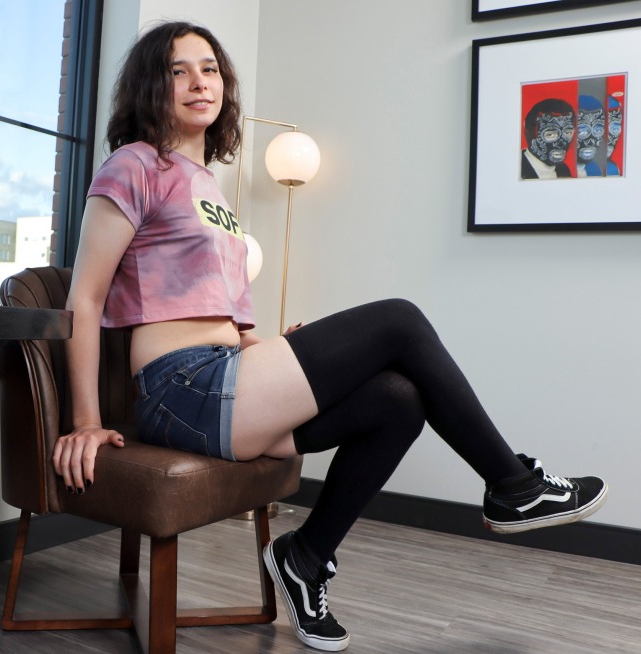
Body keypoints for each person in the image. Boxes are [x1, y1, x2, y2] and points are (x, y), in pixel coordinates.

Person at [52, 21, 609, 652]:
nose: (198, 82)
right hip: (179, 388)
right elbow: (86, 297)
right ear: (152, 86)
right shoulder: (133, 165)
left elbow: (216, 317)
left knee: (398, 400)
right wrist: (86, 421)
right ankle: (514, 487)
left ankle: (306, 557)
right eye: (178, 70)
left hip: (226, 377)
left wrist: (274, 352)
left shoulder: (210, 188)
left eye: (209, 69)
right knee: (398, 320)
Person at [521, 98, 575, 180]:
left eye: (568, 133)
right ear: (530, 134)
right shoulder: (517, 168)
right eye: (550, 134)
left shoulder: (563, 170)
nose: (561, 143)